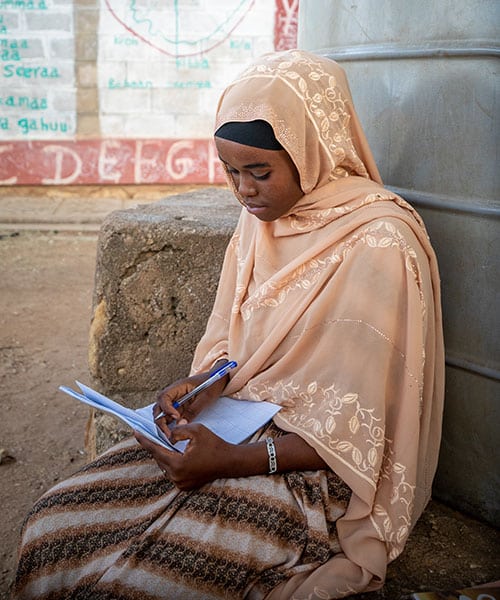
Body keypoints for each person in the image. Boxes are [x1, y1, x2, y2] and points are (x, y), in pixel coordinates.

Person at [12, 49, 444, 599]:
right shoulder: (259, 223)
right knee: (51, 529)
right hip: (230, 429)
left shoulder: (379, 242)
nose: (243, 190)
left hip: (311, 474)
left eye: (260, 172)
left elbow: (362, 432)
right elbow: (237, 351)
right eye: (230, 172)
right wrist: (202, 386)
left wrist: (236, 460)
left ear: (311, 153)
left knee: (139, 579)